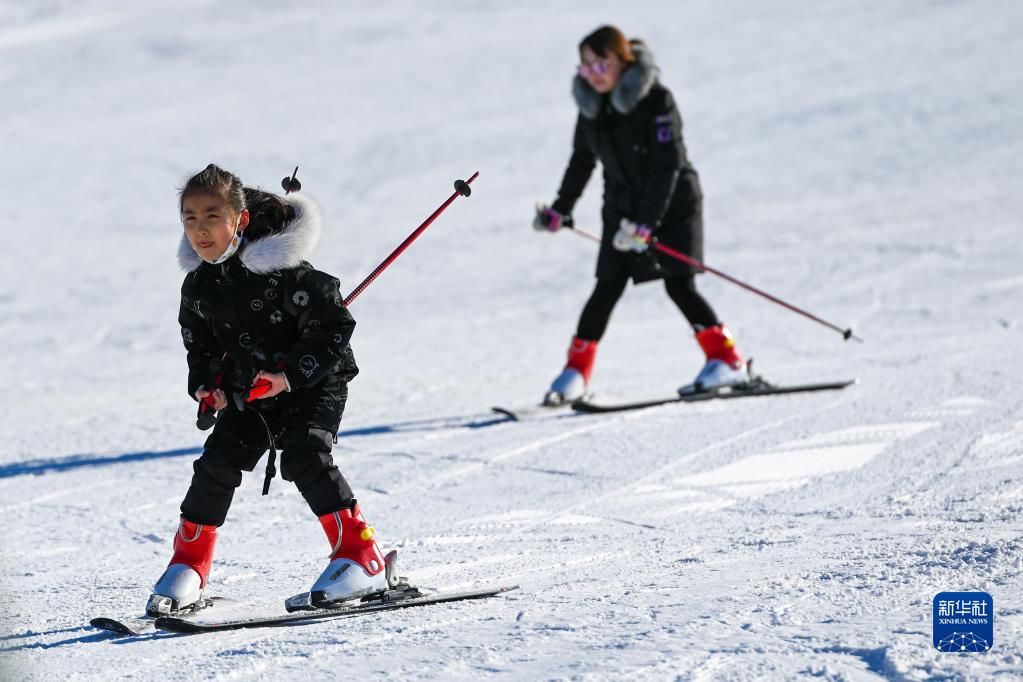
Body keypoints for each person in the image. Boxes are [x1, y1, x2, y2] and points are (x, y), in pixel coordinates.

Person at [148, 164, 388, 616]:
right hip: (251, 391)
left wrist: (290, 375)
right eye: (190, 218)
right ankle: (189, 564)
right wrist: (209, 387)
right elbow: (200, 345)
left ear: (239, 219)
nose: (200, 230)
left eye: (211, 216)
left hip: (313, 382)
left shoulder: (287, 271)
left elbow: (335, 324)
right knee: (216, 464)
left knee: (305, 455)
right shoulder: (199, 284)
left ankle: (361, 556)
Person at [534, 25, 748, 405]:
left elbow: (668, 166)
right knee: (607, 284)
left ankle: (726, 359)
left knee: (678, 284)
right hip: (622, 208)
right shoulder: (591, 110)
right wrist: (559, 210)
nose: (594, 73)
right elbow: (581, 162)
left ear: (623, 61)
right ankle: (575, 372)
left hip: (674, 204)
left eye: (602, 63)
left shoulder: (656, 101)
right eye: (586, 66)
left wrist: (646, 224)